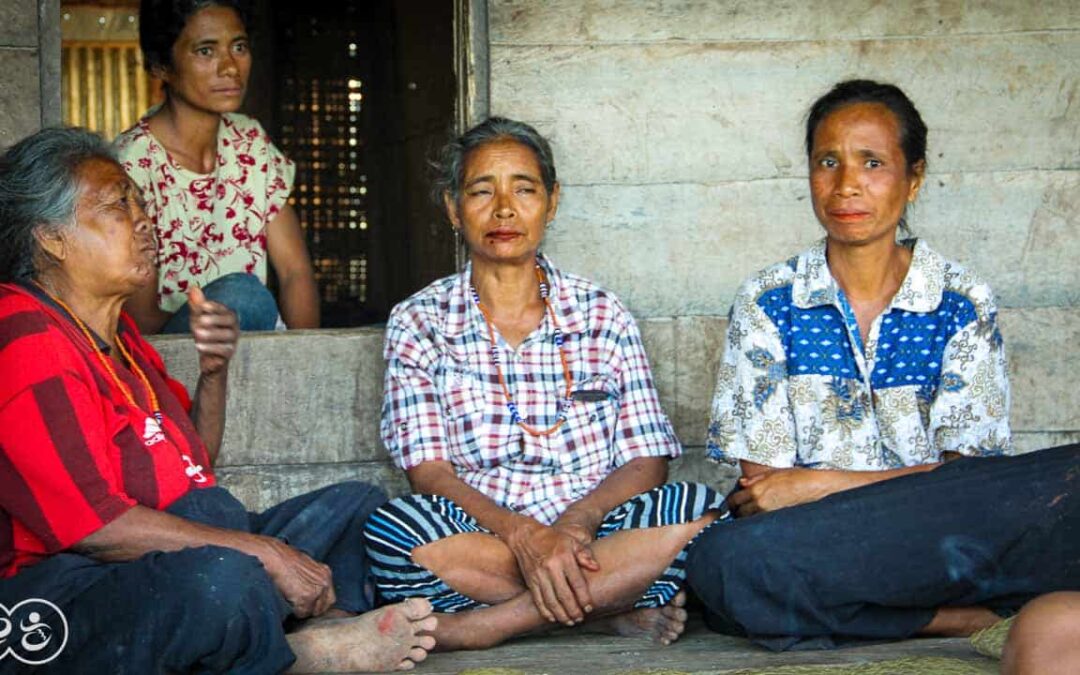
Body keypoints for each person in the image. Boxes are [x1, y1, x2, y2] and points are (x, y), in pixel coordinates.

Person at [0, 127, 435, 673]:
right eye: (117, 204)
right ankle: (294, 655)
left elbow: (193, 467)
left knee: (355, 507)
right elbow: (94, 529)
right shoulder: (25, 335)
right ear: (51, 239)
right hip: (67, 586)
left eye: (139, 200)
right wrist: (263, 552)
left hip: (170, 548)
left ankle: (322, 625)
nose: (142, 218)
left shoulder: (123, 339)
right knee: (221, 580)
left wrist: (214, 374)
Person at [686, 79, 1079, 650]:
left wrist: (818, 484)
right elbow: (764, 490)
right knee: (724, 562)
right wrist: (811, 499)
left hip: (944, 533)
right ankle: (955, 618)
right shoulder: (769, 300)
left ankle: (865, 612)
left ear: (913, 177)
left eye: (873, 162)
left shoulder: (961, 300)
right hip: (827, 543)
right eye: (828, 162)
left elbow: (968, 479)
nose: (847, 185)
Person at [363, 117, 727, 651]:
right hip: (486, 536)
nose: (504, 208)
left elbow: (647, 460)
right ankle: (606, 610)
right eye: (482, 191)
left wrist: (576, 526)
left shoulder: (602, 313)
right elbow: (429, 472)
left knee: (707, 514)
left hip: (595, 532)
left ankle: (486, 628)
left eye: (524, 189)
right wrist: (524, 536)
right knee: (392, 532)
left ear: (551, 202)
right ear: (452, 208)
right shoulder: (419, 321)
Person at [114, 0, 319, 334]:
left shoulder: (250, 142)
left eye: (238, 47)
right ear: (160, 66)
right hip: (174, 357)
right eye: (205, 51)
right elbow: (141, 321)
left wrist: (305, 361)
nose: (230, 68)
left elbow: (296, 272)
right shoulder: (131, 165)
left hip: (252, 347)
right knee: (244, 296)